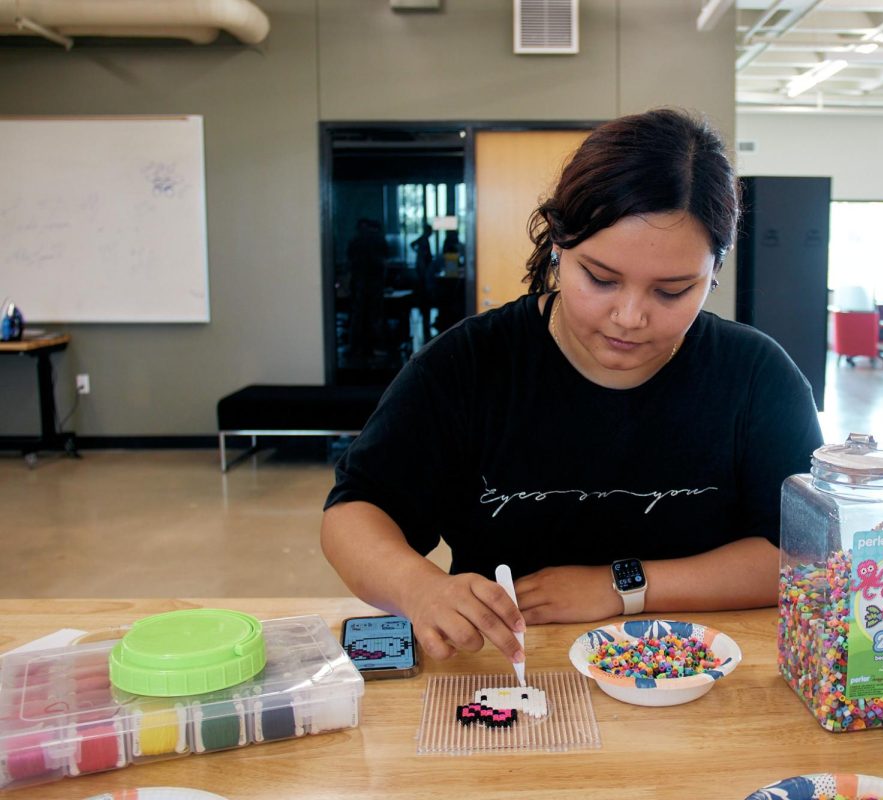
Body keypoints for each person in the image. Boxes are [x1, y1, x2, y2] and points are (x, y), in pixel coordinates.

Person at [322, 108, 823, 667]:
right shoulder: (469, 365)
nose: (629, 317)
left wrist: (622, 586)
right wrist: (417, 586)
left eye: (673, 291)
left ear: (714, 272)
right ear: (557, 245)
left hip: (703, 673)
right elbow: (355, 513)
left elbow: (799, 554)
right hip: (514, 671)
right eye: (600, 279)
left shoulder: (756, 376)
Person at [346, 218, 388, 358]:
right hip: (373, 283)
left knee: (358, 316)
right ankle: (376, 347)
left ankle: (357, 348)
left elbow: (350, 261)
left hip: (360, 283)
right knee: (375, 316)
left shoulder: (356, 241)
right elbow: (383, 261)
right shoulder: (378, 240)